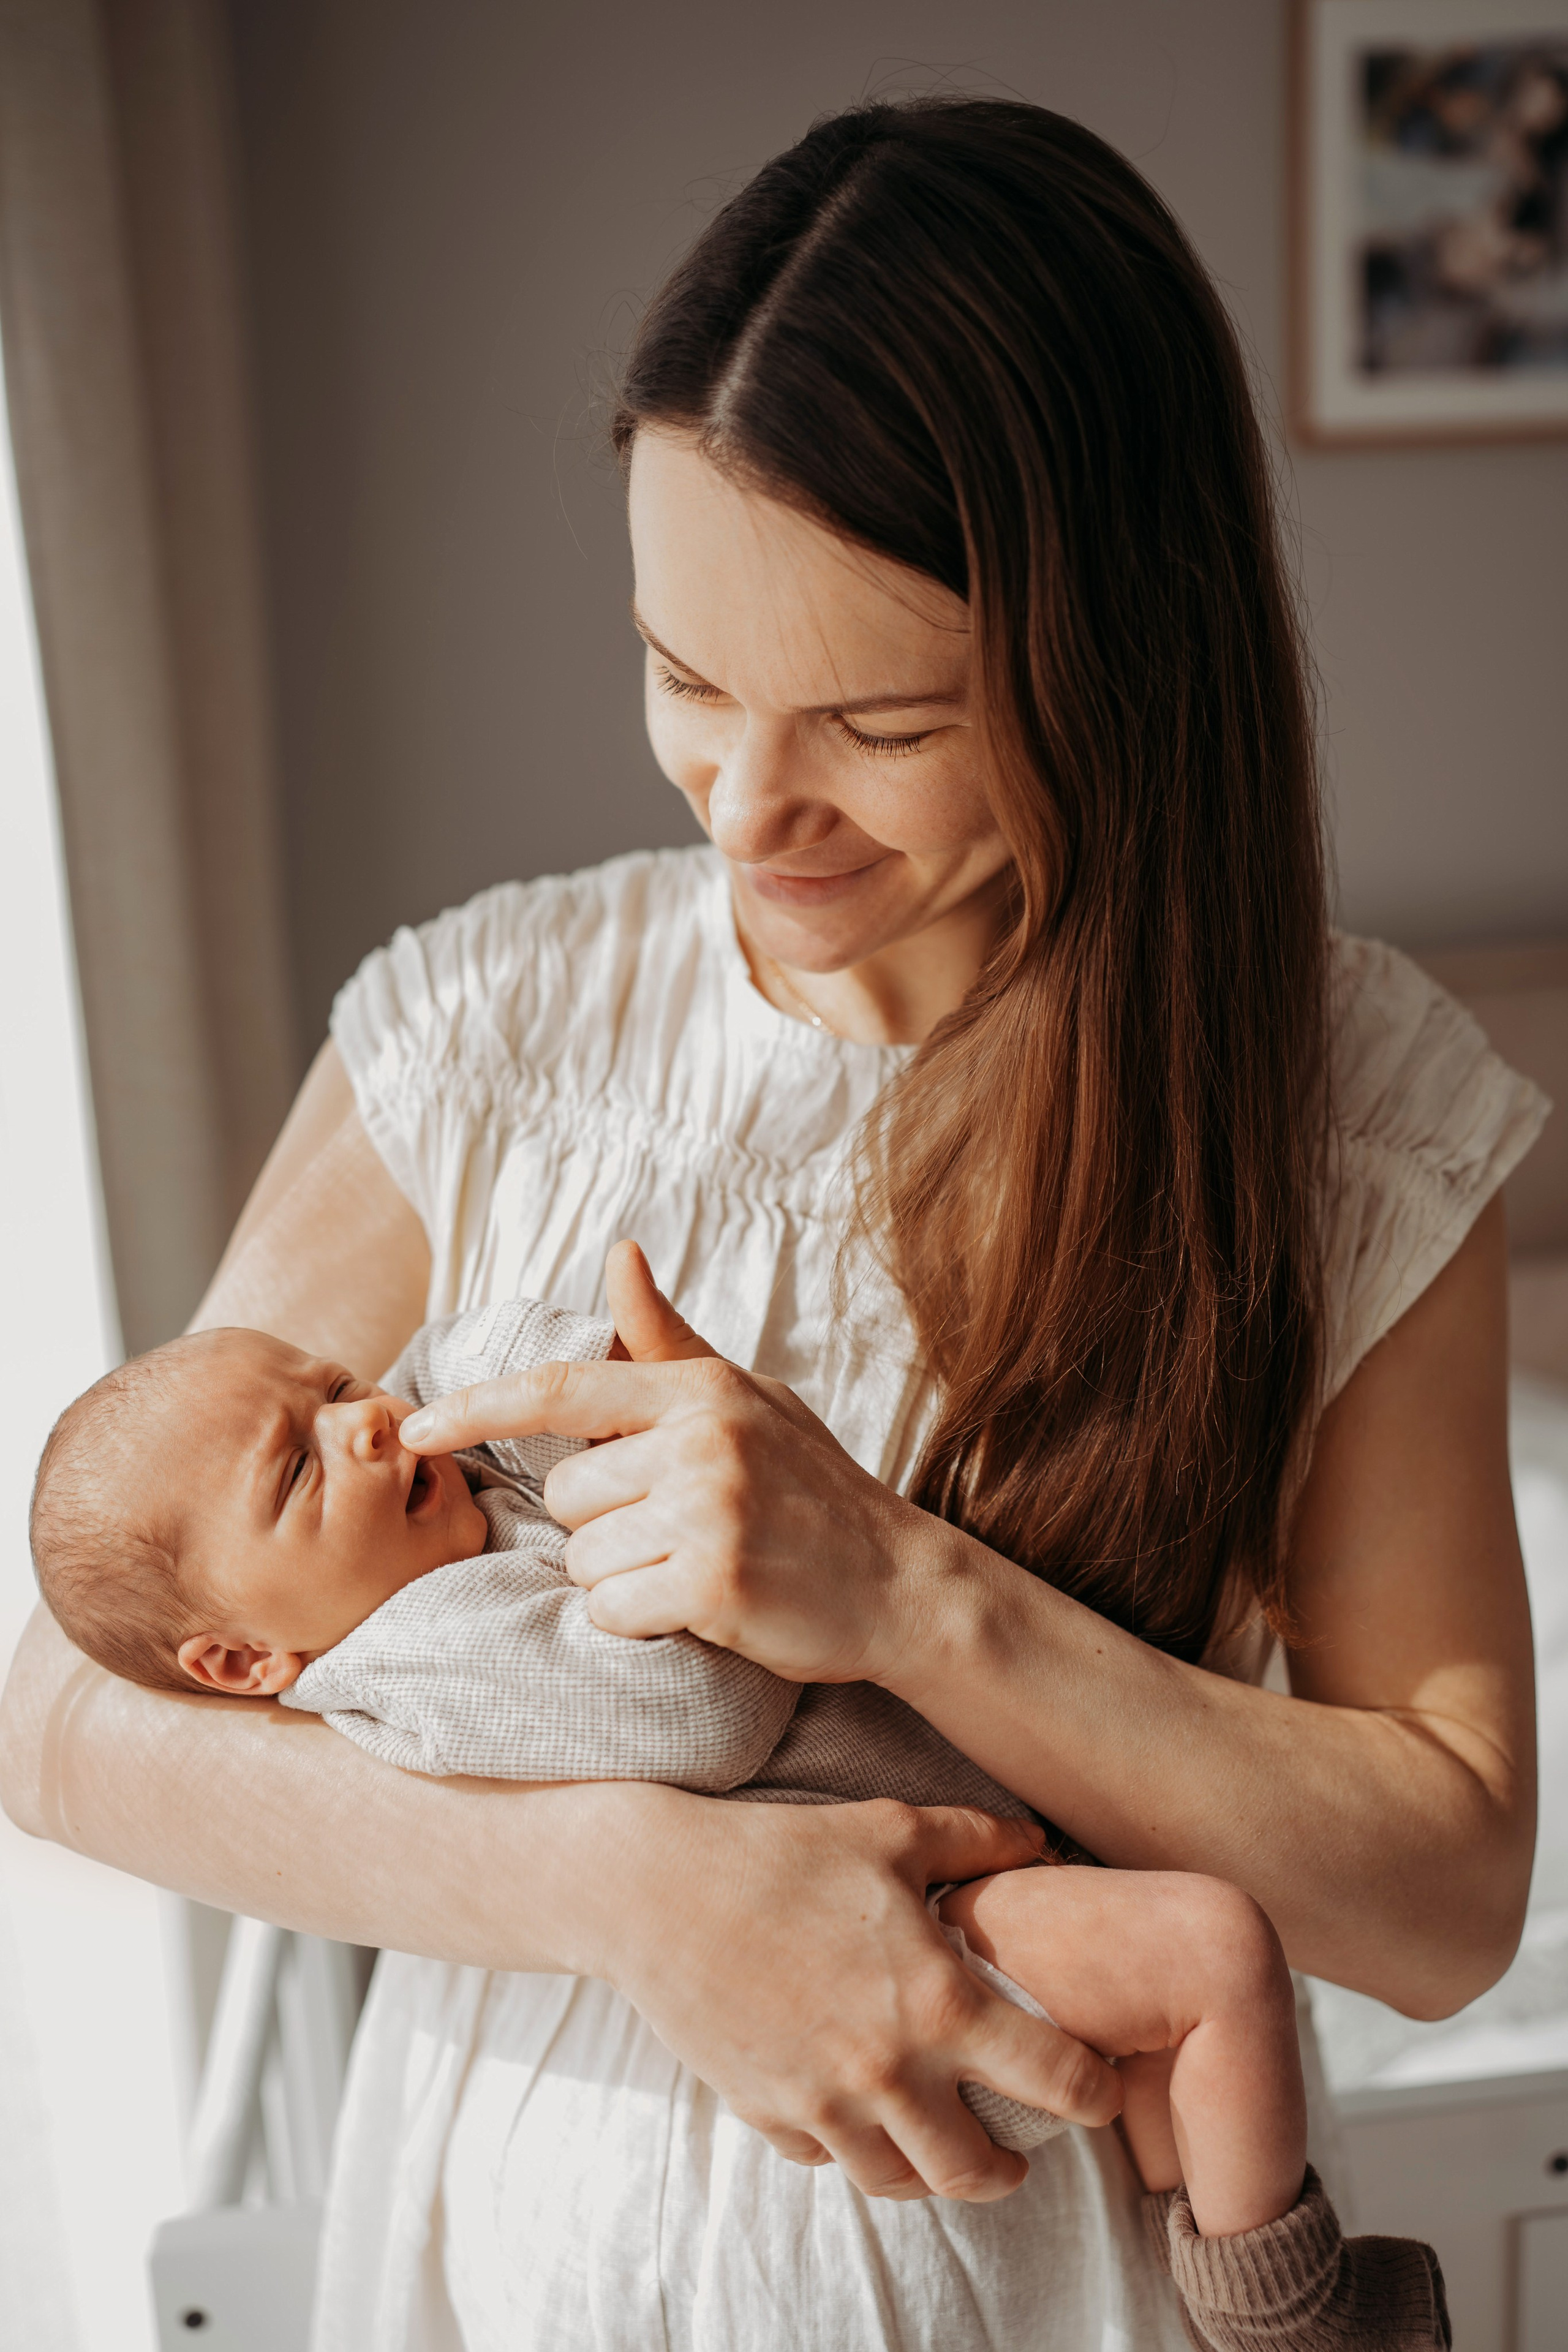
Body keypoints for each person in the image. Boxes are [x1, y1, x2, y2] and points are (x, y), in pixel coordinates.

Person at [0, 96, 1542, 2351]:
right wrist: (635, 1888)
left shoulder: (1351, 1113)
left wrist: (907, 1590)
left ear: (1120, 660)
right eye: (687, 677)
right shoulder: (490, 1032)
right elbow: (57, 1714)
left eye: (879, 723)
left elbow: (1446, 1900)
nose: (748, 809)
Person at [27, 1293, 1455, 2346]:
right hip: (909, 1932)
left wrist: (539, 1390)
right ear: (242, 1661)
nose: (365, 1420)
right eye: (296, 1468)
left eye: (335, 1382)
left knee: (1167, 2060)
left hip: (967, 1857)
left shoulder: (440, 1527)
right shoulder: (420, 1657)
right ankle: (1300, 2321)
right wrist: (712, 1557)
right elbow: (692, 1721)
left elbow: (529, 1376)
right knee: (1210, 1953)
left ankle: (1211, 2284)